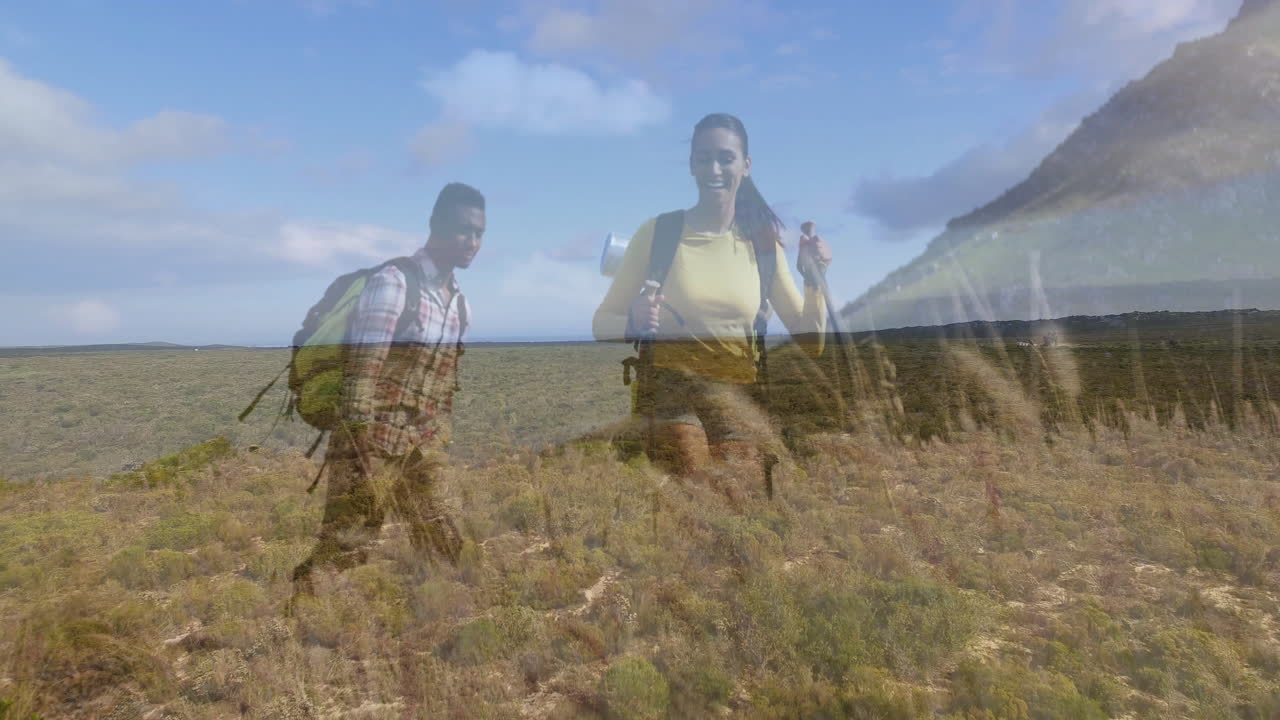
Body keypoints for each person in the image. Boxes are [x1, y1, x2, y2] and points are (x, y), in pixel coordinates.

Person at [592, 113, 832, 481]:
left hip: (739, 395)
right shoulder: (658, 233)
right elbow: (601, 323)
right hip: (669, 391)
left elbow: (811, 342)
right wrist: (631, 322)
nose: (715, 168)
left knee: (737, 508)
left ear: (746, 166)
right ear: (692, 165)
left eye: (726, 158)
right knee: (695, 492)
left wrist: (814, 278)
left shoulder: (764, 245)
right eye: (704, 158)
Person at [291, 182, 484, 602]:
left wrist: (438, 438)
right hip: (370, 445)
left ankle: (441, 619)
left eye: (479, 234)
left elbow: (443, 383)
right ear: (436, 226)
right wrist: (362, 459)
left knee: (443, 538)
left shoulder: (460, 303)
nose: (472, 242)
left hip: (423, 444)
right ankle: (300, 621)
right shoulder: (395, 283)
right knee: (346, 546)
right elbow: (363, 372)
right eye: (463, 230)